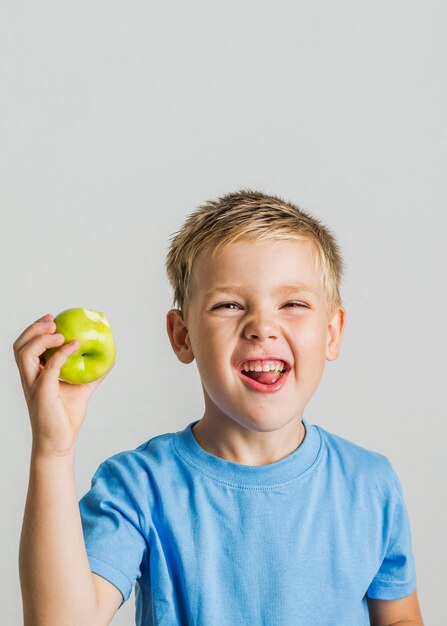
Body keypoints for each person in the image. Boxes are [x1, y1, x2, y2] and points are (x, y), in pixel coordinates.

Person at [15, 189, 424, 625]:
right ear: (182, 335)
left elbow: (399, 617)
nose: (262, 327)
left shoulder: (371, 484)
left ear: (332, 332)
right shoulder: (138, 488)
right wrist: (52, 451)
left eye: (292, 304)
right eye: (229, 304)